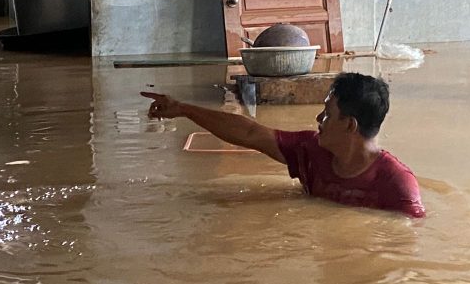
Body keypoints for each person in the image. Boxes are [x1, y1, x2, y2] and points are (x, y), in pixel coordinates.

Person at [141, 72, 425, 218]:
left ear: (350, 125)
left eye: (327, 114)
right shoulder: (311, 151)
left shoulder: (397, 184)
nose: (318, 119)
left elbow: (400, 247)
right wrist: (183, 109)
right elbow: (251, 133)